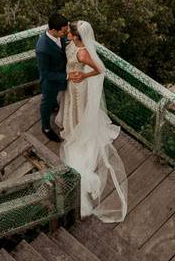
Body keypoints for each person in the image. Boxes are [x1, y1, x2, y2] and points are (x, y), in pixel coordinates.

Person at [59, 20, 128, 222]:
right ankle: (73, 127)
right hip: (72, 86)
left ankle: (78, 132)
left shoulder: (82, 53)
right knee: (71, 109)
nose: (67, 35)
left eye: (70, 33)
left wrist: (83, 74)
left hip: (79, 87)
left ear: (77, 37)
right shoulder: (74, 46)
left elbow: (100, 69)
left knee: (78, 112)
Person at [35, 13, 68, 142]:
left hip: (60, 73)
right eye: (64, 31)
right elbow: (45, 73)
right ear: (53, 30)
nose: (65, 33)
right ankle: (46, 127)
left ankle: (55, 106)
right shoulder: (42, 48)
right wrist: (66, 76)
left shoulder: (59, 36)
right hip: (50, 81)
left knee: (53, 101)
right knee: (46, 102)